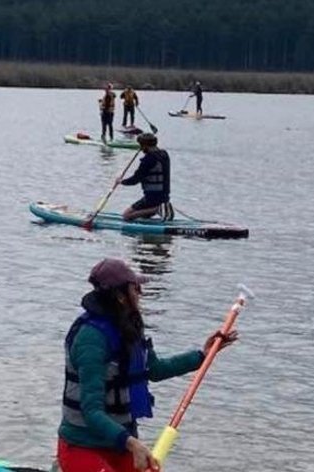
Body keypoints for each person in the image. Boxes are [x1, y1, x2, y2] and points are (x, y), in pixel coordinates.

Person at [57, 258, 237, 472]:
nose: (140, 294)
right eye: (136, 289)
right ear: (120, 296)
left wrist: (202, 356)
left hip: (119, 446)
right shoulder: (90, 339)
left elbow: (155, 369)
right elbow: (91, 411)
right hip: (81, 446)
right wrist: (133, 443)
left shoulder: (128, 327)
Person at [116, 134, 171, 221]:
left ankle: (158, 209)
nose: (140, 149)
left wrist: (121, 181)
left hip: (152, 197)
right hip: (164, 196)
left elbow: (135, 180)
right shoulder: (164, 154)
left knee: (126, 215)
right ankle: (161, 208)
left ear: (145, 145)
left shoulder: (148, 159)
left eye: (141, 146)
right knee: (143, 217)